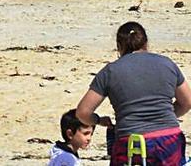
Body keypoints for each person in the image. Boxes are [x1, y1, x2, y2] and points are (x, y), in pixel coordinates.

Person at [73, 22, 191, 166]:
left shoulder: (110, 71)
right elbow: (187, 102)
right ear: (146, 42)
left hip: (130, 141)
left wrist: (98, 120)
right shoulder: (167, 64)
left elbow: (83, 112)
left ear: (119, 46)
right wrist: (166, 116)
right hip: (168, 140)